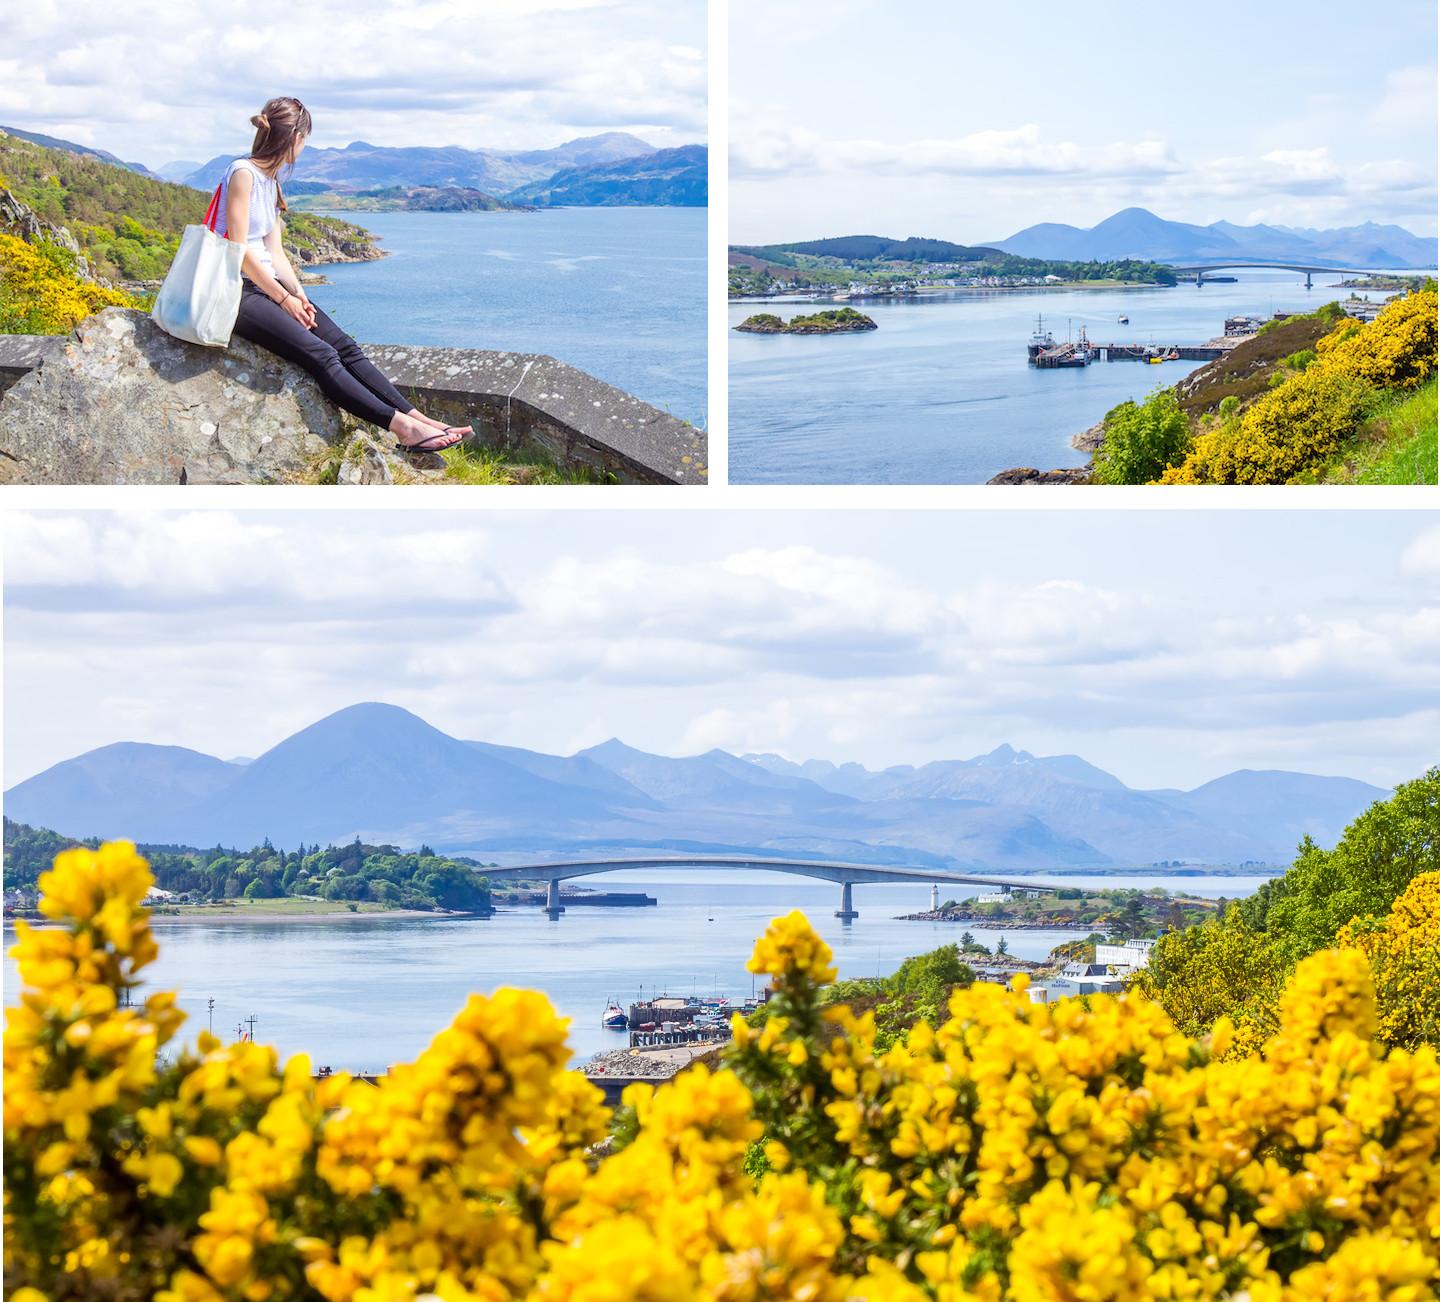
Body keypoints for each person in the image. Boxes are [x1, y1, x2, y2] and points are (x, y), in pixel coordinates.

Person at [215, 97, 469, 453]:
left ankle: (422, 420)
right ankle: (403, 429)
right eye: (305, 139)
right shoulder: (243, 173)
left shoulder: (271, 183)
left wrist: (299, 295)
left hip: (267, 288)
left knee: (345, 346)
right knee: (320, 354)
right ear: (296, 138)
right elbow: (239, 250)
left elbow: (274, 253)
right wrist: (284, 299)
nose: (304, 147)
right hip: (237, 291)